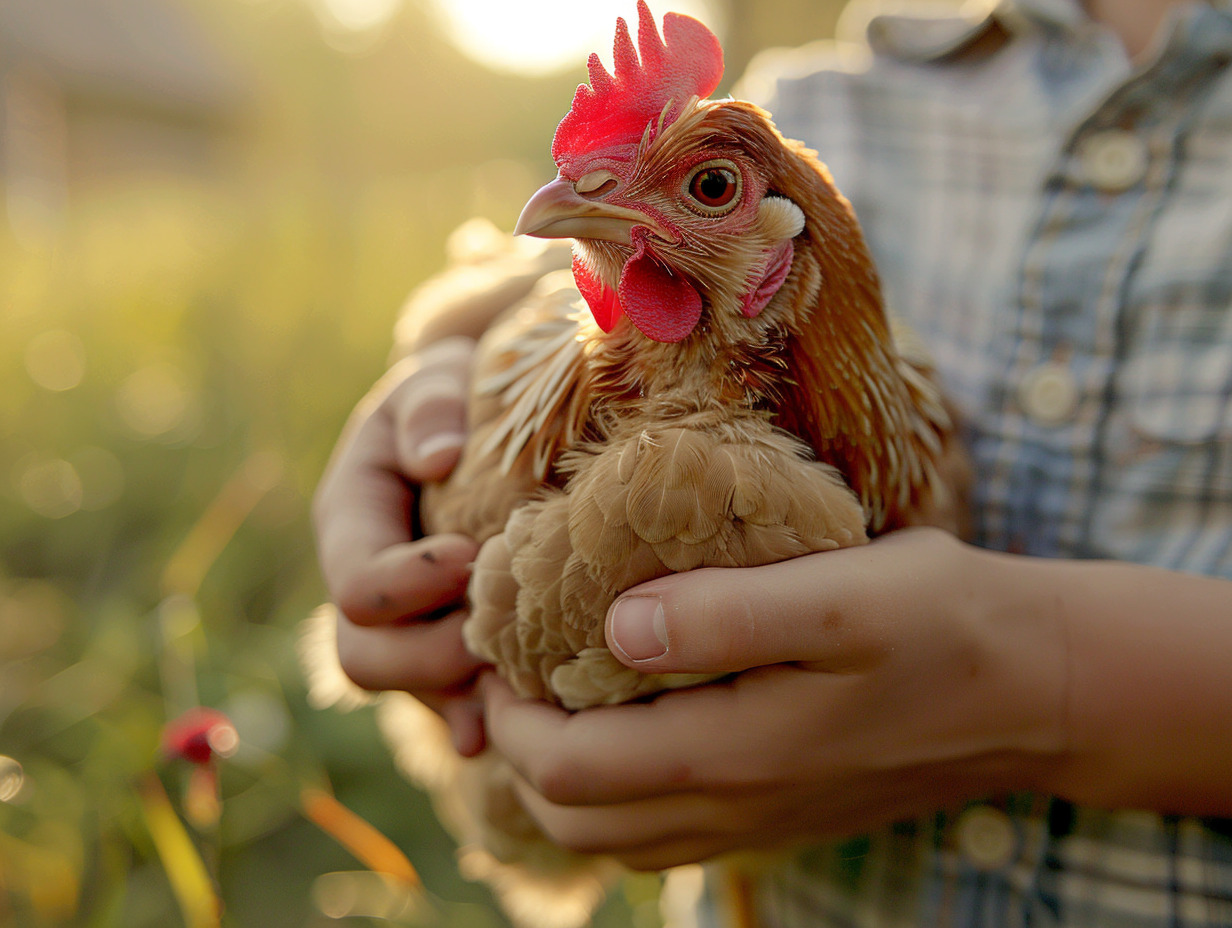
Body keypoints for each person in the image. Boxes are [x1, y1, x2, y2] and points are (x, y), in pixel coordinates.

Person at [312, 0, 1232, 923]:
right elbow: (524, 283)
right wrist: (429, 369)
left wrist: (1040, 687)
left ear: (787, 254)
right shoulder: (828, 99)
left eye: (710, 190)